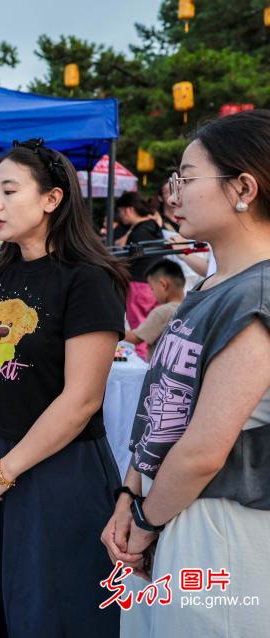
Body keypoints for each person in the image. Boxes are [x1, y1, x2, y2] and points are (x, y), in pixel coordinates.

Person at [102, 110, 270, 637]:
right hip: (170, 507)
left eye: (188, 177)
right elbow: (160, 409)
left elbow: (203, 450)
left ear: (243, 187)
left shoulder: (257, 296)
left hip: (216, 524)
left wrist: (146, 520)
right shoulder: (215, 284)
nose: (173, 193)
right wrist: (130, 496)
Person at [0, 139, 128, 637]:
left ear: (52, 199)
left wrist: (7, 470)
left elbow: (81, 400)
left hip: (57, 469)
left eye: (10, 190)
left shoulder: (88, 280)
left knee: (51, 610)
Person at [115, 191, 166, 356]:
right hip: (157, 285)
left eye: (120, 212)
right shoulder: (155, 227)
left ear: (129, 210)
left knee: (139, 330)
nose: (120, 217)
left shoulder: (137, 234)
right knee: (154, 329)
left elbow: (129, 262)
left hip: (138, 286)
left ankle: (141, 364)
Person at [123, 260, 185, 361]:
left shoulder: (163, 312)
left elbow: (135, 338)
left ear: (163, 284)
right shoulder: (191, 306)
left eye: (152, 288)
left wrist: (112, 327)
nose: (152, 293)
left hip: (159, 368)